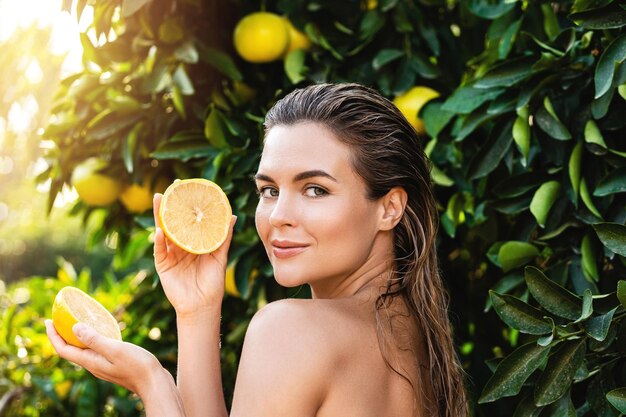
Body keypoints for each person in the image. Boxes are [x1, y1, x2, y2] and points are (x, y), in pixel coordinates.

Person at [46, 83, 468, 417]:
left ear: (389, 208)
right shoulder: (417, 336)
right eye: (268, 190)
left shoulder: (290, 330)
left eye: (315, 189)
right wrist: (197, 314)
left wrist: (152, 383)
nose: (277, 215)